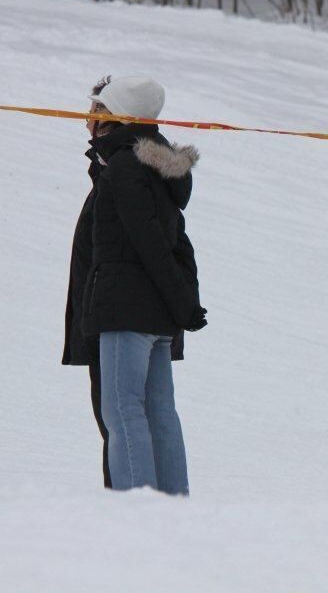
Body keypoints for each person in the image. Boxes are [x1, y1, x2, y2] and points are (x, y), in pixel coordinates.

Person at [81, 75, 207, 495]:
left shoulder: (125, 167)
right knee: (159, 410)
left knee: (122, 411)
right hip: (155, 313)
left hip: (125, 307)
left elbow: (148, 240)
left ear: (115, 117)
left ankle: (138, 511)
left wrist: (184, 303)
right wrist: (182, 302)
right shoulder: (155, 167)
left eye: (96, 112)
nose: (87, 121)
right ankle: (174, 505)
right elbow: (176, 242)